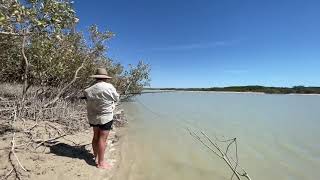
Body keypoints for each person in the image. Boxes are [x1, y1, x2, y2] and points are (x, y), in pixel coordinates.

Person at [83, 68, 120, 169]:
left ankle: (96, 157)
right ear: (106, 78)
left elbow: (87, 98)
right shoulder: (109, 87)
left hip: (93, 116)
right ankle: (101, 163)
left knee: (96, 136)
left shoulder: (88, 90)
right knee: (102, 139)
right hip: (106, 117)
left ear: (96, 78)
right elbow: (116, 98)